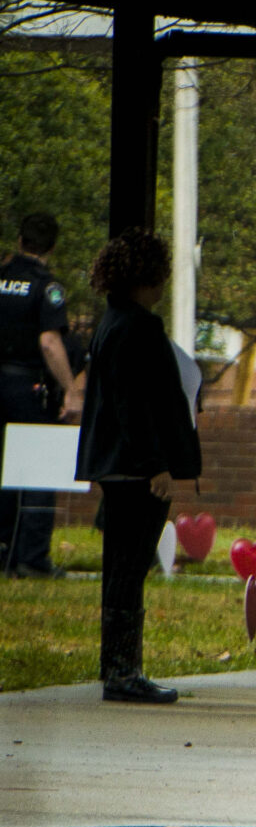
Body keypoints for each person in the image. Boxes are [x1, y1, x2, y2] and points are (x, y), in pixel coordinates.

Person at [74, 232, 199, 704]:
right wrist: (157, 465)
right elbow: (138, 406)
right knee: (132, 565)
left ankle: (116, 664)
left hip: (112, 463)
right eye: (158, 276)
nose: (163, 285)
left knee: (120, 568)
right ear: (145, 278)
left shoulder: (110, 323)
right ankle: (125, 671)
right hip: (135, 468)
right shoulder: (138, 328)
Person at [1, 213, 79, 576]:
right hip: (27, 387)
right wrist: (71, 389)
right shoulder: (47, 288)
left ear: (19, 240)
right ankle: (30, 558)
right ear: (51, 247)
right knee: (35, 470)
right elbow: (50, 342)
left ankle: (3, 550)